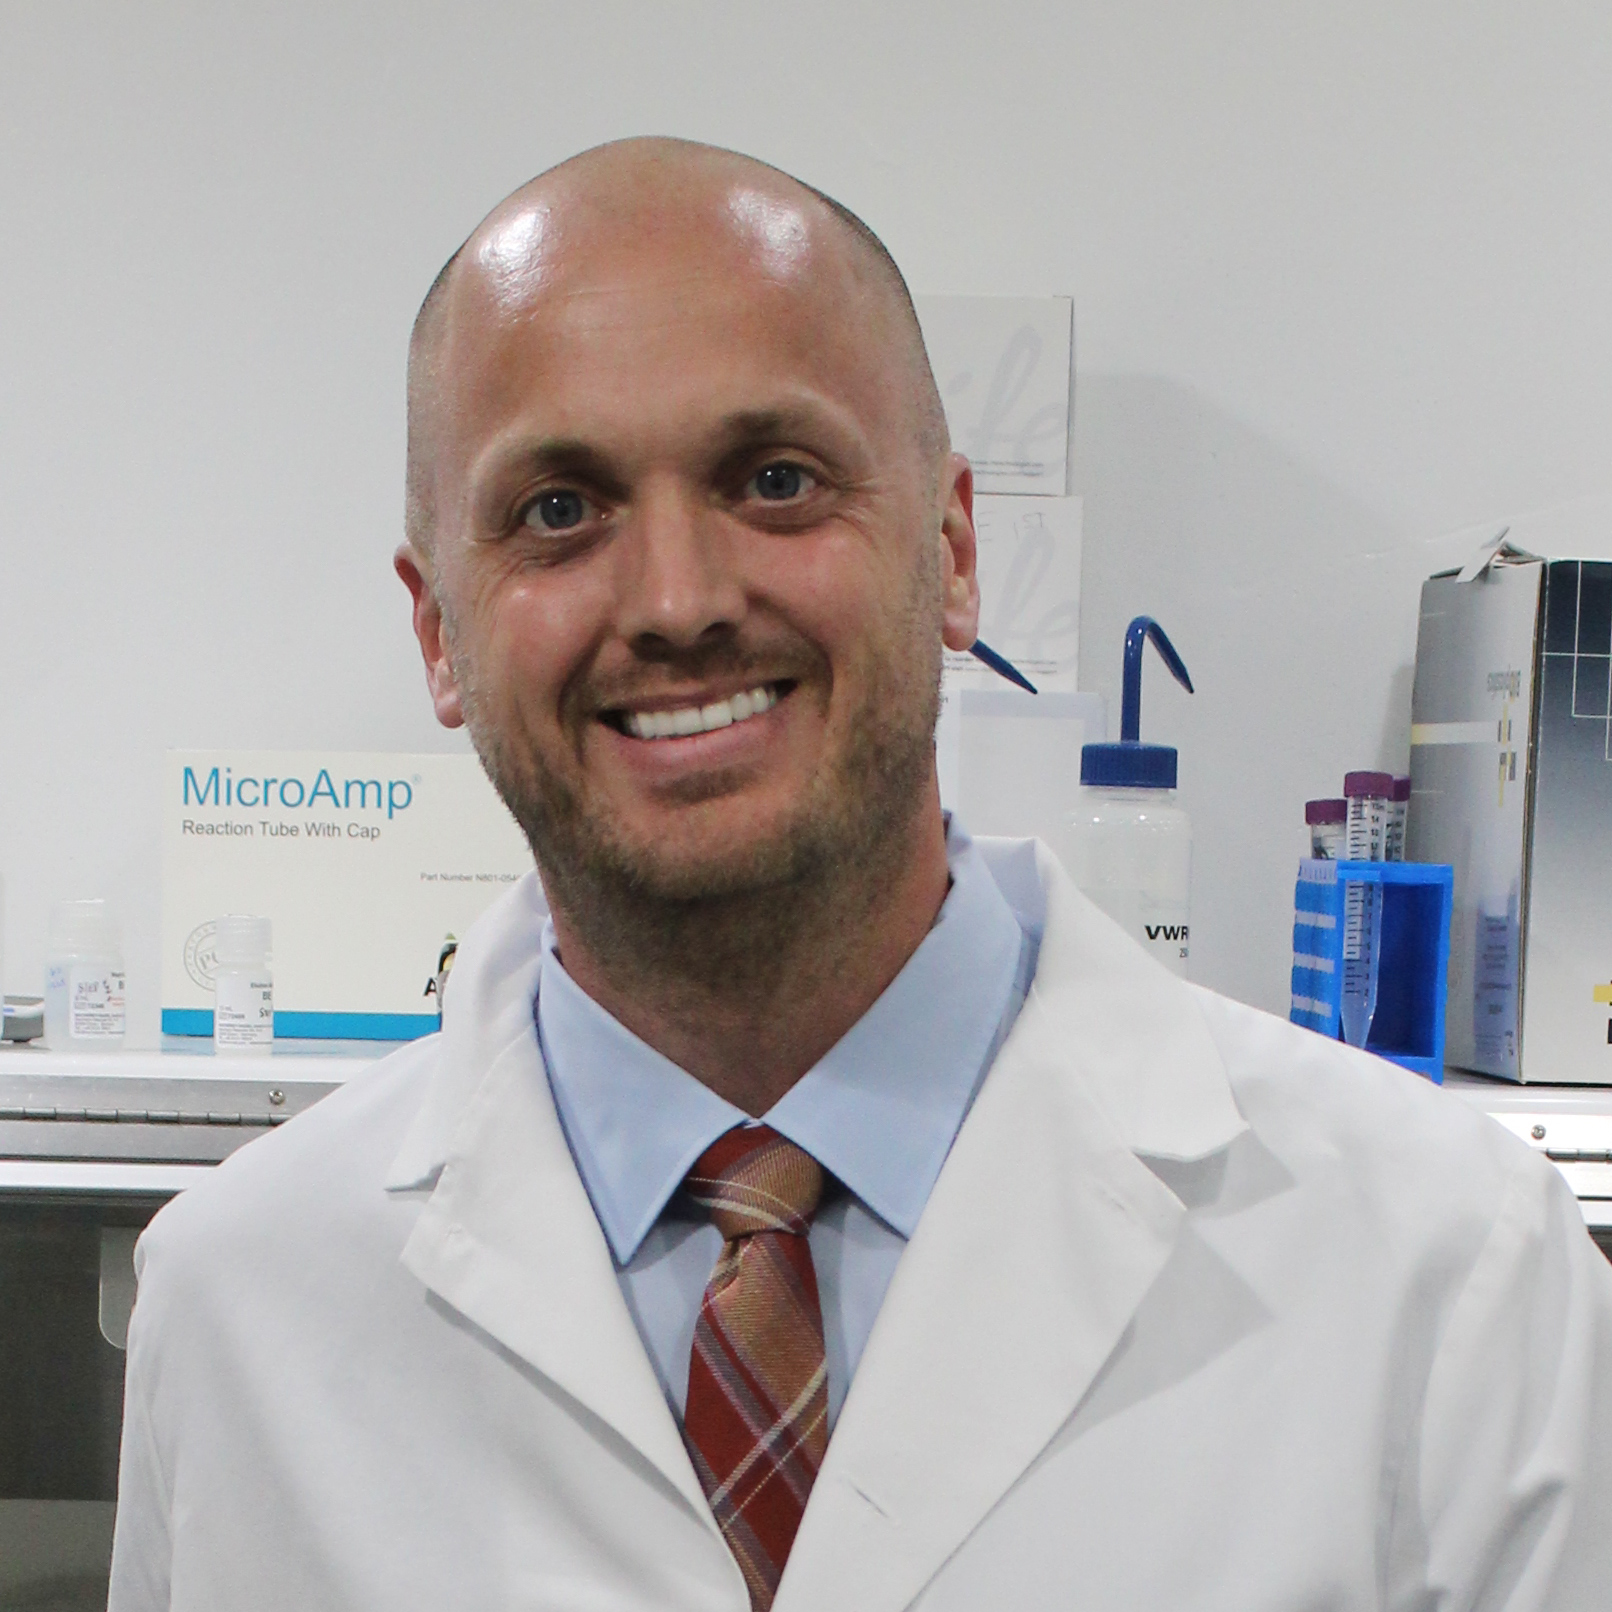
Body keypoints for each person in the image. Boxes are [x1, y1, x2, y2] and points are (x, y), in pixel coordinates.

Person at [108, 138, 1612, 1612]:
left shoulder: (1446, 1274)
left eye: (776, 479)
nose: (679, 600)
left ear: (953, 551)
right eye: (559, 510)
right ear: (439, 630)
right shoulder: (239, 1309)